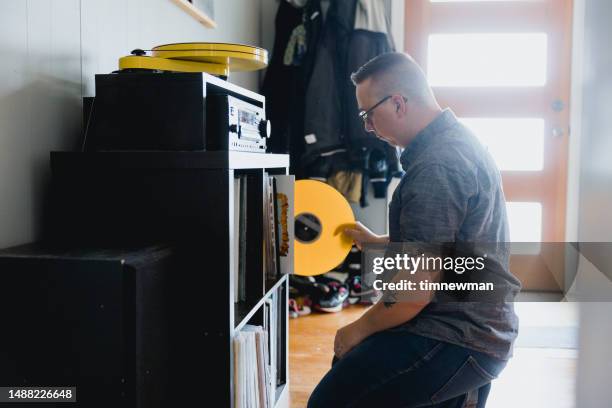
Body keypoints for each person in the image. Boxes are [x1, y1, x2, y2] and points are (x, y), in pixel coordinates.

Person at [307, 52, 522, 407]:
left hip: (457, 333)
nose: (368, 128)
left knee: (330, 399)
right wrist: (378, 243)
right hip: (483, 326)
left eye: (368, 114)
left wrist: (356, 328)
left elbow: (413, 293)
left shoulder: (436, 166)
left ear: (398, 103)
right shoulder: (457, 142)